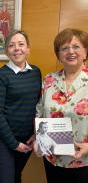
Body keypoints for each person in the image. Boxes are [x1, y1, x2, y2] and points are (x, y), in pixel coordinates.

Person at [35, 28, 88, 183]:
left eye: (76, 46)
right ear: (58, 55)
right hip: (53, 159)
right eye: (64, 48)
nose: (70, 51)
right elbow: (39, 112)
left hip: (84, 161)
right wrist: (39, 139)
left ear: (85, 52)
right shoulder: (49, 79)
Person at [0, 30, 42, 183]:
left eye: (21, 44)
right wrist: (14, 143)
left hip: (27, 139)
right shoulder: (1, 76)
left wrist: (35, 133)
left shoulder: (36, 72)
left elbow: (39, 105)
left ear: (28, 49)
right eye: (12, 45)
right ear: (7, 51)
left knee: (16, 177)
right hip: (4, 141)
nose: (17, 48)